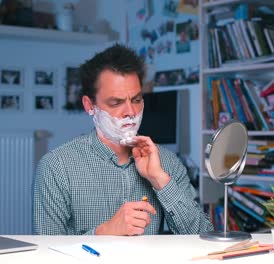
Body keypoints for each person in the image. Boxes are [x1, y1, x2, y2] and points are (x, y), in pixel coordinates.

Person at [33, 44, 213, 235]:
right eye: (116, 102)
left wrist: (159, 180)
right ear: (89, 105)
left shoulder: (166, 162)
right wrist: (104, 232)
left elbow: (202, 238)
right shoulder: (56, 167)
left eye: (136, 100)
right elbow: (47, 253)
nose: (131, 112)